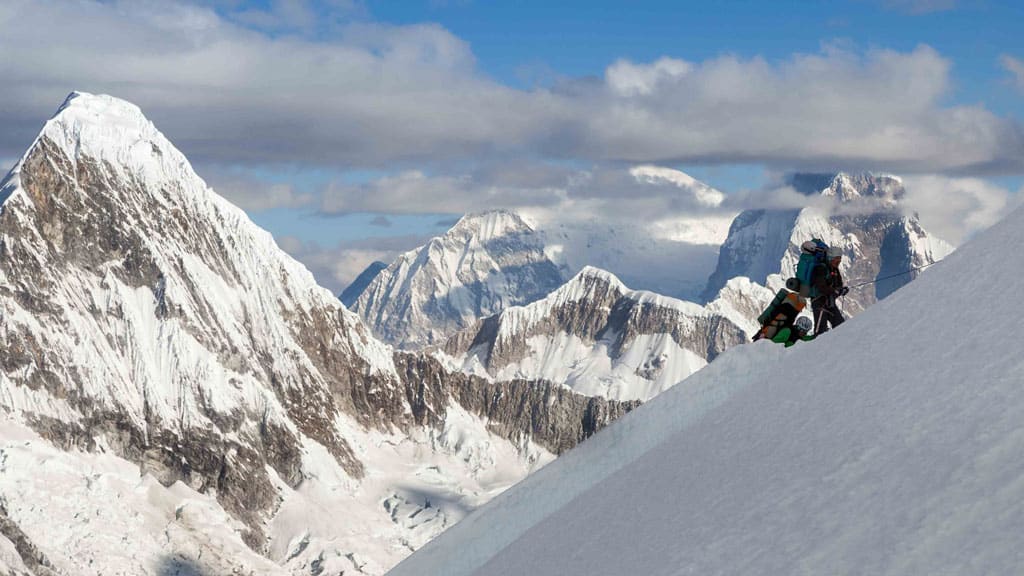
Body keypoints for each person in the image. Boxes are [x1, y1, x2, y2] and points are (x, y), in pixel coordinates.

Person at [810, 245, 848, 334]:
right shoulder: (821, 268)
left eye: (840, 258)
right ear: (831, 257)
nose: (839, 261)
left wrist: (841, 290)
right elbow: (821, 287)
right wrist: (836, 291)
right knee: (821, 330)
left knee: (840, 325)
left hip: (829, 302)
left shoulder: (834, 270)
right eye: (837, 258)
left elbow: (838, 284)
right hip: (819, 302)